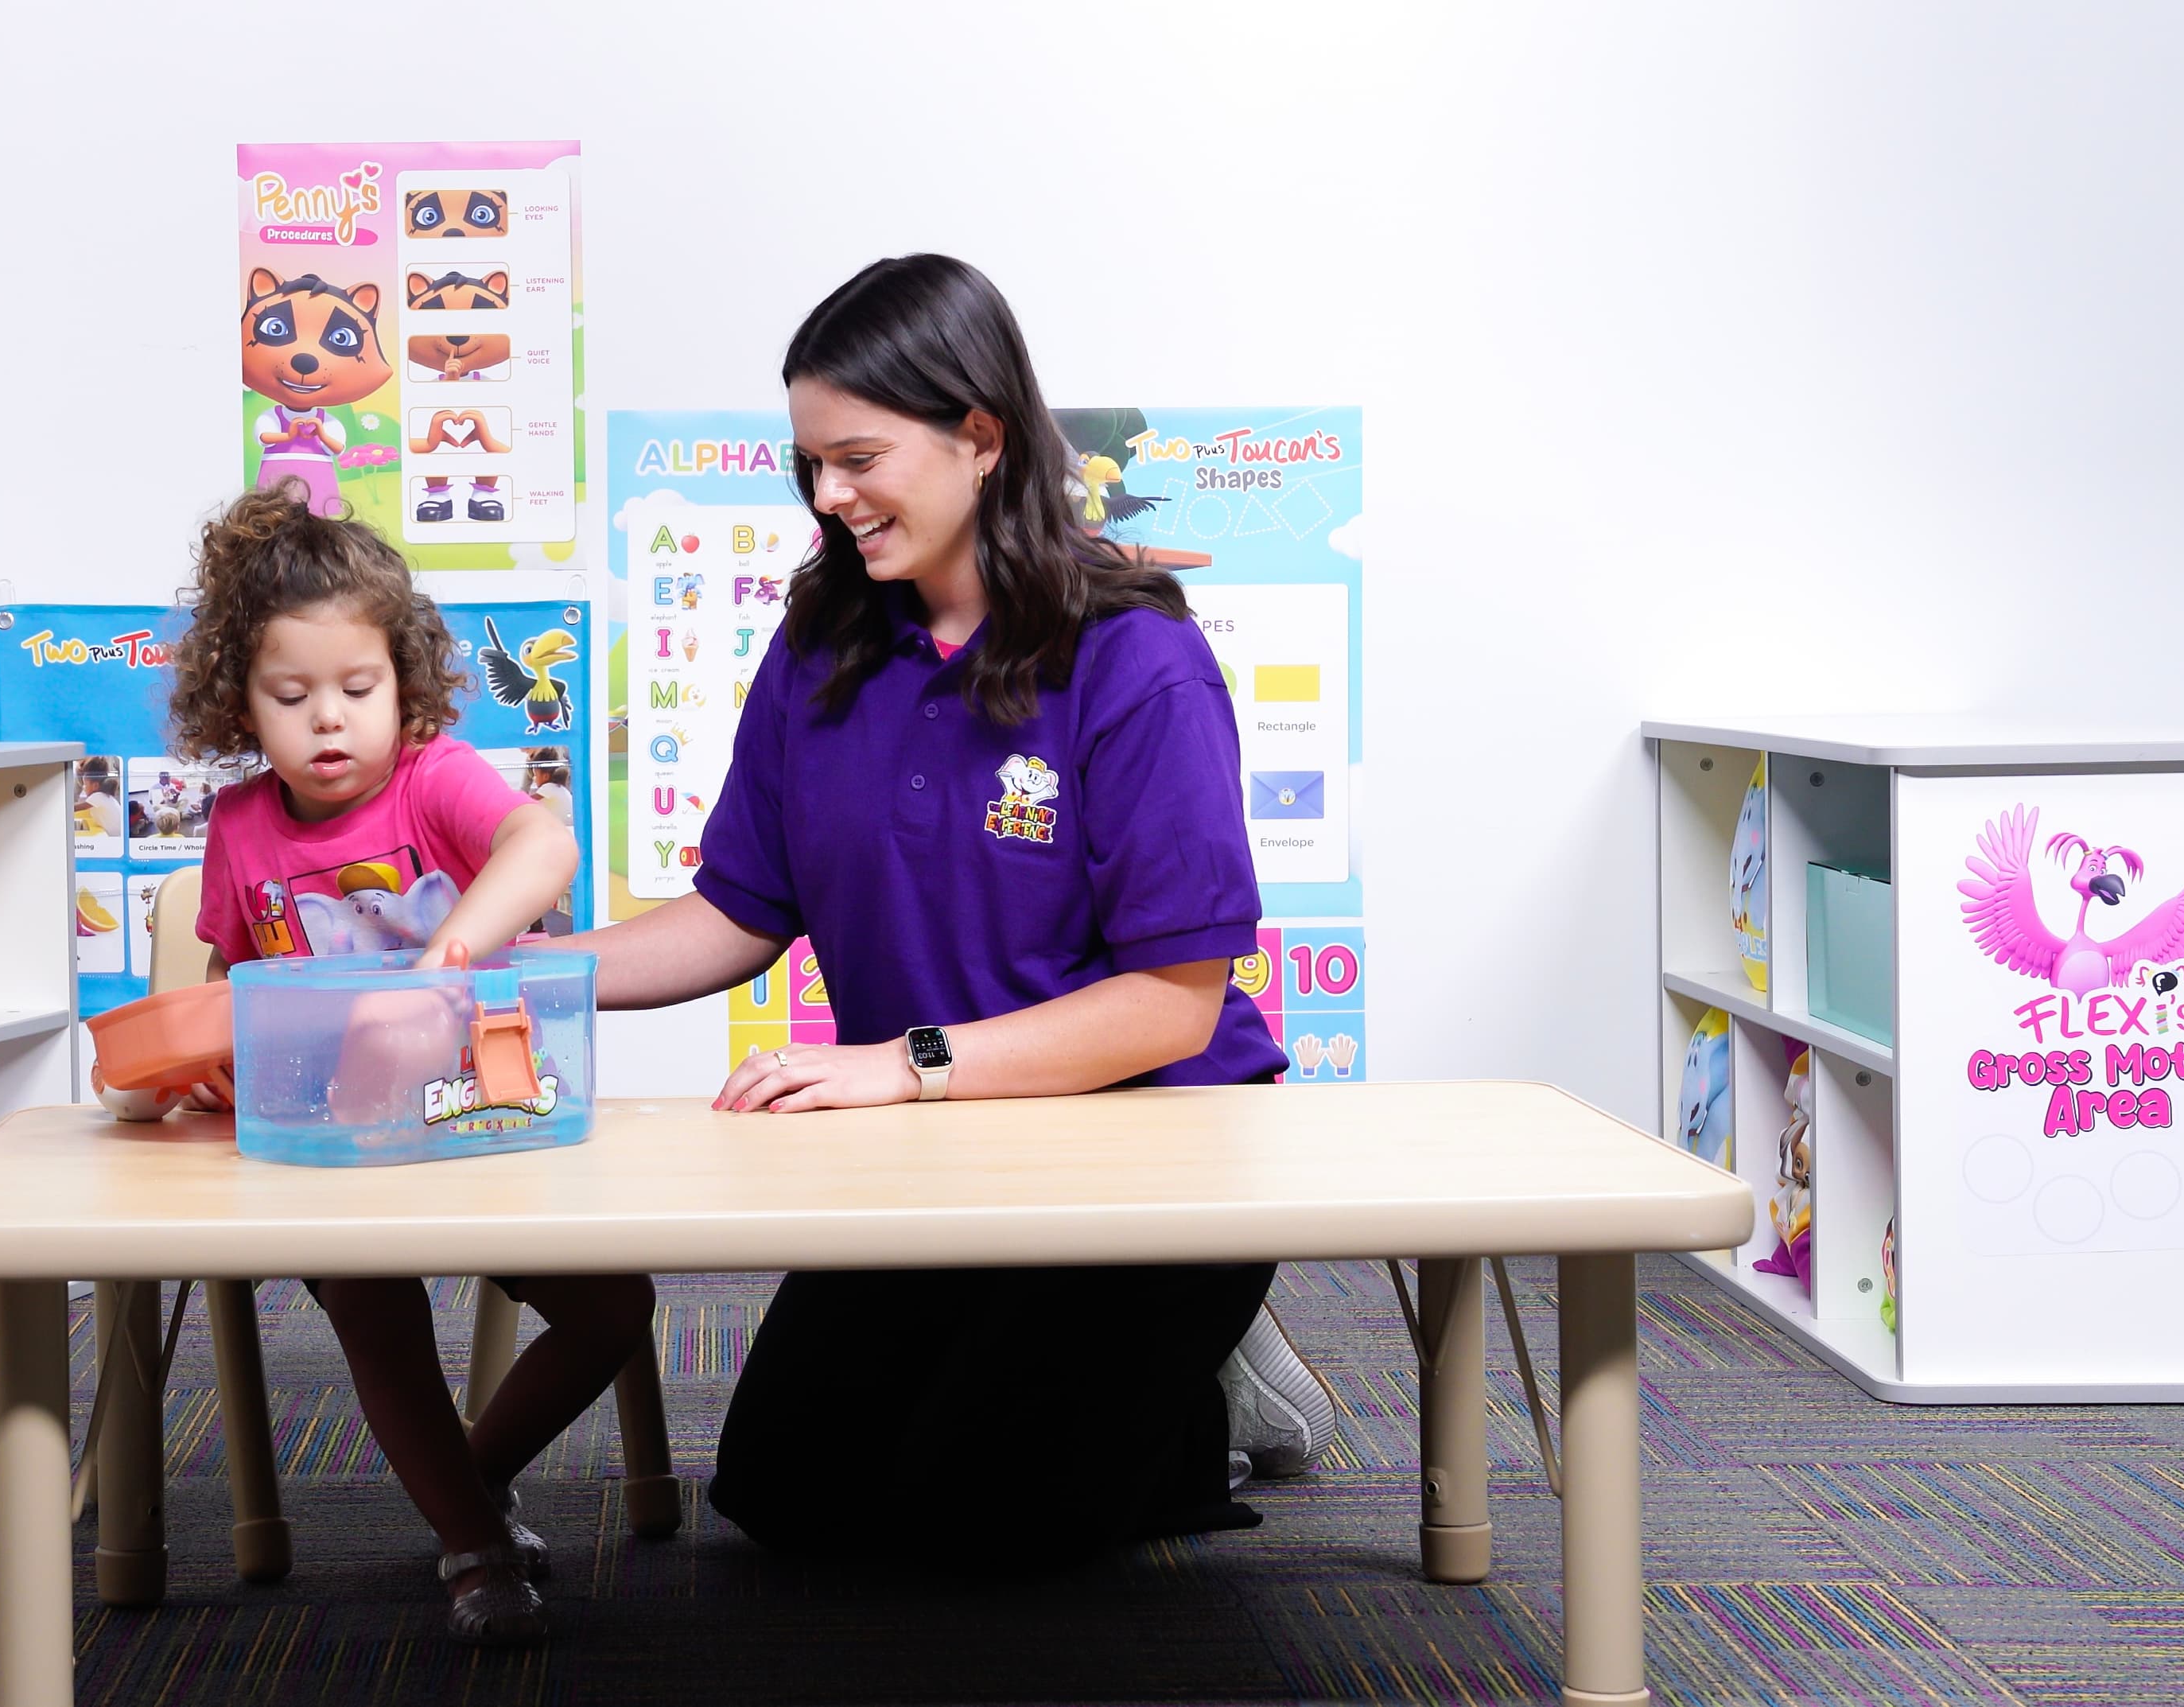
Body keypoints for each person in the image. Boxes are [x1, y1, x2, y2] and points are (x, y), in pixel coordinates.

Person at [556, 254, 1332, 1559]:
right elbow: (739, 911)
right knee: (785, 1496)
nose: (828, 495)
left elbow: (1173, 1000)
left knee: (981, 1521)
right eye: (809, 463)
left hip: (1148, 1143)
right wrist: (505, 972)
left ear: (981, 436)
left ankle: (1205, 1382)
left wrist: (902, 1067)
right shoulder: (823, 644)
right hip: (938, 1141)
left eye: (857, 457)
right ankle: (1154, 1389)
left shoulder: (1138, 657)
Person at [155, 487, 655, 1643]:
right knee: (374, 1304)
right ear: (241, 701)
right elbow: (227, 1001)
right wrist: (204, 1065)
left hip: (490, 1122)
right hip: (340, 1157)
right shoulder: (240, 833)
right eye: (291, 696)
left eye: (359, 689)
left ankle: (460, 1483)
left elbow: (545, 841)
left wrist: (449, 955)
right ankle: (475, 1545)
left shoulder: (434, 778)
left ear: (405, 682)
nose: (329, 721)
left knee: (616, 1303)